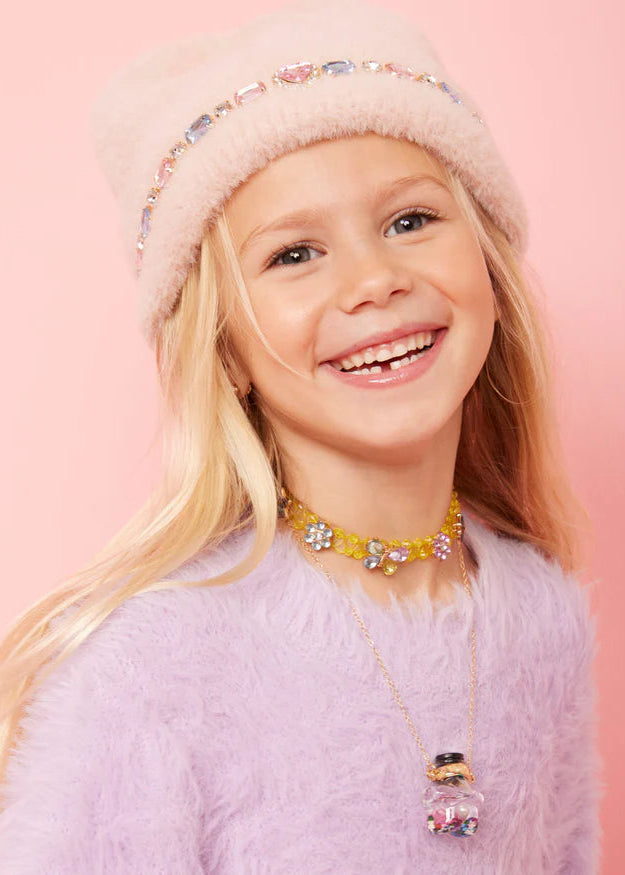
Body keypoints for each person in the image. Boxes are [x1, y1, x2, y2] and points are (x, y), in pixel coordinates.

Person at [0, 0, 601, 871]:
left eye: (409, 220)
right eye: (293, 255)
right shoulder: (148, 671)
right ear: (225, 350)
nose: (372, 281)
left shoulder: (542, 614)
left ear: (489, 267)